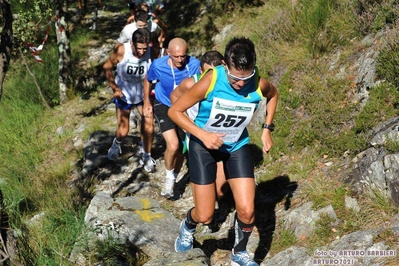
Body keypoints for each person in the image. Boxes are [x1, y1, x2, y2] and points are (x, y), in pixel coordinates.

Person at [168, 37, 278, 266]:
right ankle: (188, 224)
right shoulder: (211, 80)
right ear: (225, 66)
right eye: (235, 78)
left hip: (236, 146)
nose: (240, 84)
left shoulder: (258, 83)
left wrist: (267, 129)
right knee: (206, 214)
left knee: (247, 211)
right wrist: (203, 134)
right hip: (204, 147)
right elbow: (175, 111)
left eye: (245, 78)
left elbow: (273, 95)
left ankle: (239, 254)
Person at [143, 37, 201, 198]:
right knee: (173, 144)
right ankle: (168, 180)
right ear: (168, 53)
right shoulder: (158, 65)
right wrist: (147, 101)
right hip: (164, 104)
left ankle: (174, 178)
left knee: (183, 147)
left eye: (183, 56)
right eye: (176, 57)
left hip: (185, 107)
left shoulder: (195, 65)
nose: (180, 60)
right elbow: (147, 80)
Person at [170, 50, 228, 200]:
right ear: (201, 70)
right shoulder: (191, 83)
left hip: (222, 136)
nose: (212, 77)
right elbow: (174, 96)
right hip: (197, 137)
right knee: (206, 192)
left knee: (220, 191)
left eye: (216, 72)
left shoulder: (231, 82)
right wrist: (186, 123)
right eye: (208, 73)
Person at [104, 28, 156, 173]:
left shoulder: (152, 51)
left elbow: (155, 69)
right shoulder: (121, 50)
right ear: (132, 43)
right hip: (124, 94)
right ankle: (116, 143)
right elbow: (107, 67)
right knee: (124, 129)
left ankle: (146, 155)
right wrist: (114, 88)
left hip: (143, 92)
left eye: (145, 49)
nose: (142, 52)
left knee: (149, 127)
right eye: (139, 49)